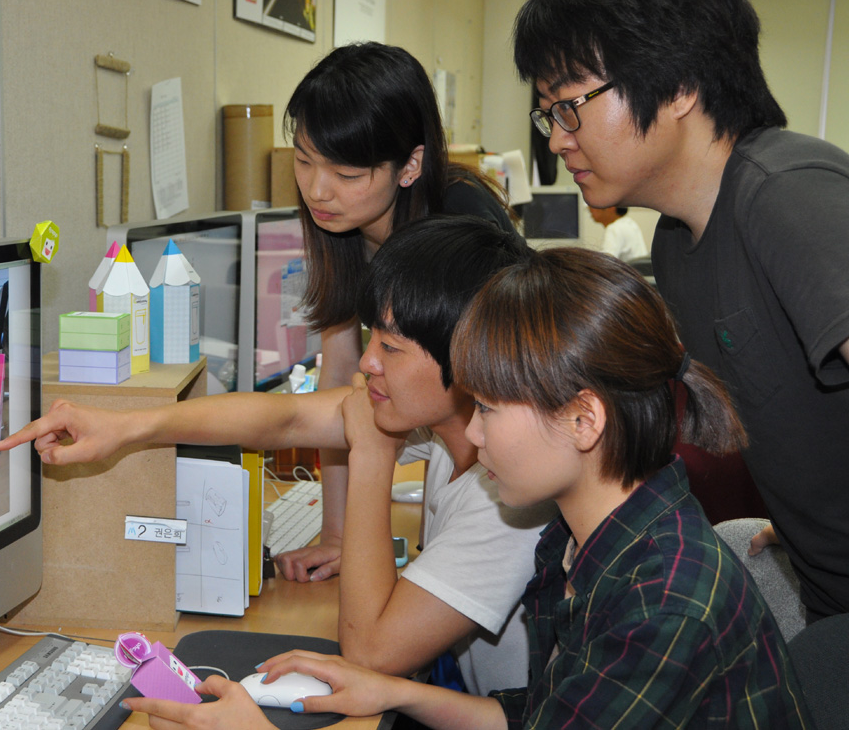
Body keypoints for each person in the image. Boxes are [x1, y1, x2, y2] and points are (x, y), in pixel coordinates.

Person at [127, 248, 812, 729]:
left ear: (583, 419)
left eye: (487, 408)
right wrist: (393, 692)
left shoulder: (662, 602)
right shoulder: (587, 538)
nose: (473, 435)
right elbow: (539, 713)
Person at [0, 217, 550, 695]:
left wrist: (373, 454)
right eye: (371, 339)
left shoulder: (509, 502)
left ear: (467, 357)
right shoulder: (449, 424)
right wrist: (124, 427)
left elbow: (370, 653)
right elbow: (284, 418)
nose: (367, 364)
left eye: (391, 348)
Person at [512, 0, 849, 621]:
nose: (556, 138)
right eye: (548, 114)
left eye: (570, 105)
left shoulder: (787, 194)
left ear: (679, 87)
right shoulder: (676, 240)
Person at [280, 41, 514, 584]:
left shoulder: (460, 227)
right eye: (304, 159)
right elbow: (340, 374)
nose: (317, 190)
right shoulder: (340, 222)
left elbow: (481, 389)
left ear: (410, 165)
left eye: (346, 173)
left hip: (499, 472)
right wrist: (337, 534)